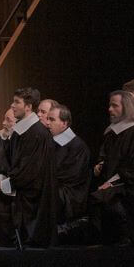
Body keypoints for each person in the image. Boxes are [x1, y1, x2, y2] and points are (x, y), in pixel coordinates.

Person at [0, 87, 56, 248]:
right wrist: (0, 176)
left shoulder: (37, 133)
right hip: (20, 184)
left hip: (31, 193)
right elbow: (7, 159)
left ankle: (15, 240)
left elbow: (30, 171)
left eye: (17, 102)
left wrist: (4, 184)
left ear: (28, 107)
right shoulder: (20, 131)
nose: (12, 105)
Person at [88, 89, 134, 247]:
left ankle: (126, 238)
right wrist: (101, 164)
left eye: (114, 106)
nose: (109, 109)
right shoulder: (113, 133)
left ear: (127, 108)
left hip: (132, 188)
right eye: (110, 105)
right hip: (117, 182)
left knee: (103, 198)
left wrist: (112, 183)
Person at [44, 103, 91, 242]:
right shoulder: (52, 142)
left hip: (71, 194)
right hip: (57, 186)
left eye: (52, 120)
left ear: (64, 123)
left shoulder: (77, 146)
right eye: (48, 119)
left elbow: (69, 176)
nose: (47, 123)